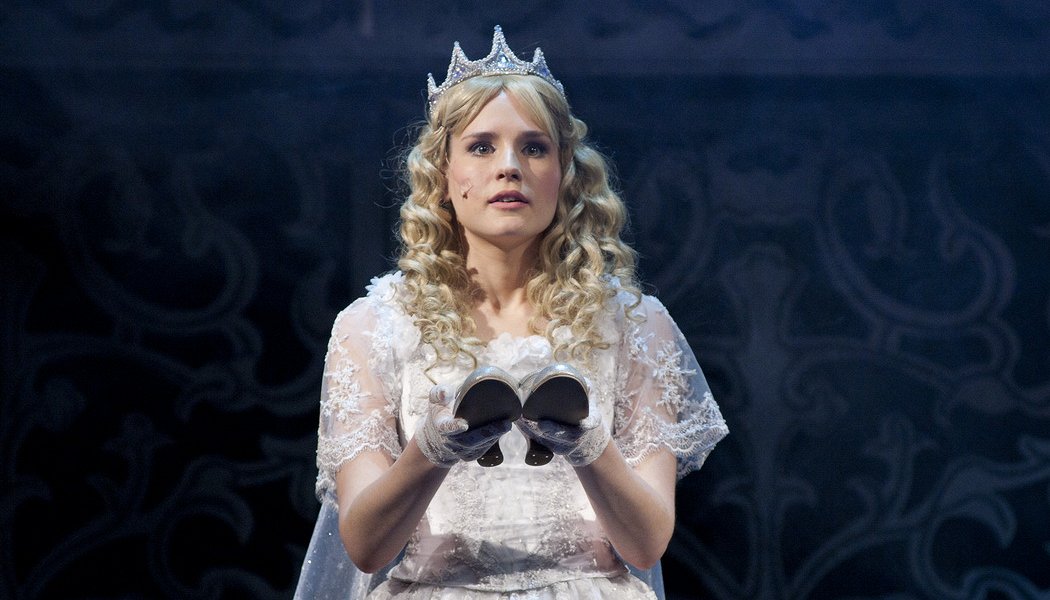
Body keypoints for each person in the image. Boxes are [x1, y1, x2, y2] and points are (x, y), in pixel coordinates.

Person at [294, 26, 728, 600]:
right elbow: (365, 545)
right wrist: (434, 448)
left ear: (563, 173)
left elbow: (647, 543)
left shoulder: (634, 324)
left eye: (534, 147)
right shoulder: (372, 326)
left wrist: (586, 443)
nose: (509, 167)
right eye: (481, 146)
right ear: (443, 174)